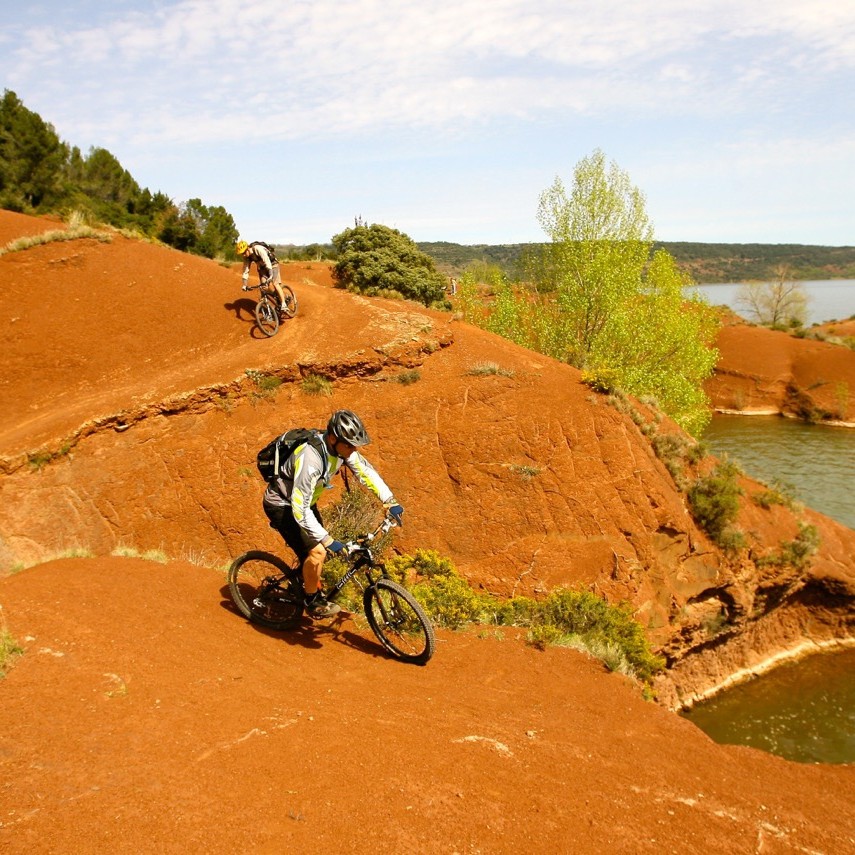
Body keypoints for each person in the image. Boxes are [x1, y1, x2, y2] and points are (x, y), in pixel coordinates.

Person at [262, 409, 404, 618]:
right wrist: (328, 540)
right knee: (319, 551)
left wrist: (389, 500)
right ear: (333, 438)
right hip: (283, 505)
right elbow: (299, 510)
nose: (353, 449)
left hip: (305, 504)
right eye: (349, 444)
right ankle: (311, 600)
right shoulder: (311, 459)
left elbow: (366, 472)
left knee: (317, 552)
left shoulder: (342, 450)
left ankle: (304, 580)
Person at [236, 239, 288, 313]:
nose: (243, 255)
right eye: (242, 254)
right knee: (263, 287)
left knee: (275, 284)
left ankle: (284, 304)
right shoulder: (247, 257)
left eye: (244, 252)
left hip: (272, 265)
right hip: (262, 268)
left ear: (247, 248)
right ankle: (276, 297)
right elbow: (245, 271)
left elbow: (267, 261)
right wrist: (244, 285)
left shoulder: (258, 249)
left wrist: (270, 275)